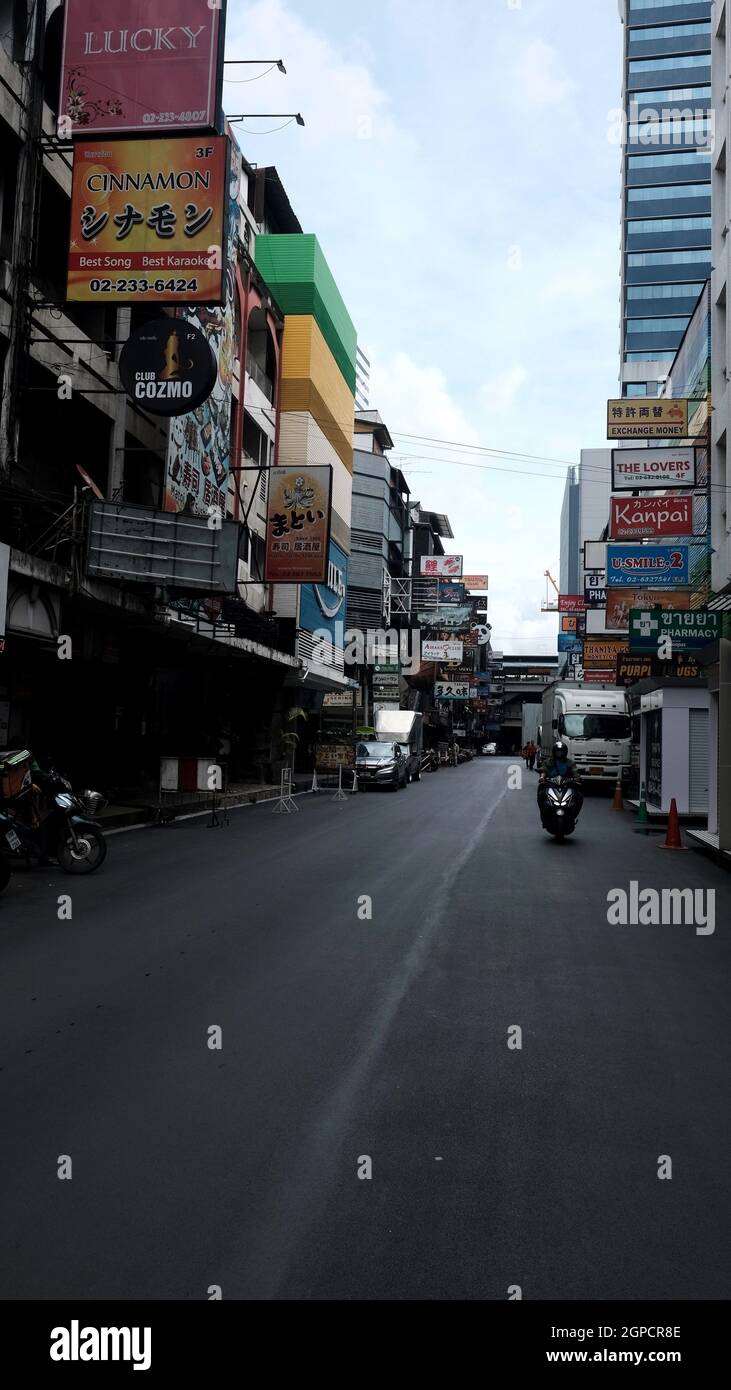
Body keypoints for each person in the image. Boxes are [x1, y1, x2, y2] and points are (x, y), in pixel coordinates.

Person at [538, 740, 583, 822]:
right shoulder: (548, 762)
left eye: (561, 752)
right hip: (551, 783)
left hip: (567, 784)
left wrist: (577, 778)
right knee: (541, 794)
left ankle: (573, 815)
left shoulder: (570, 762)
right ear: (554, 752)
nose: (560, 754)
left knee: (579, 796)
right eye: (558, 752)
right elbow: (543, 771)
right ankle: (544, 815)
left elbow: (575, 771)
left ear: (565, 752)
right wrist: (542, 777)